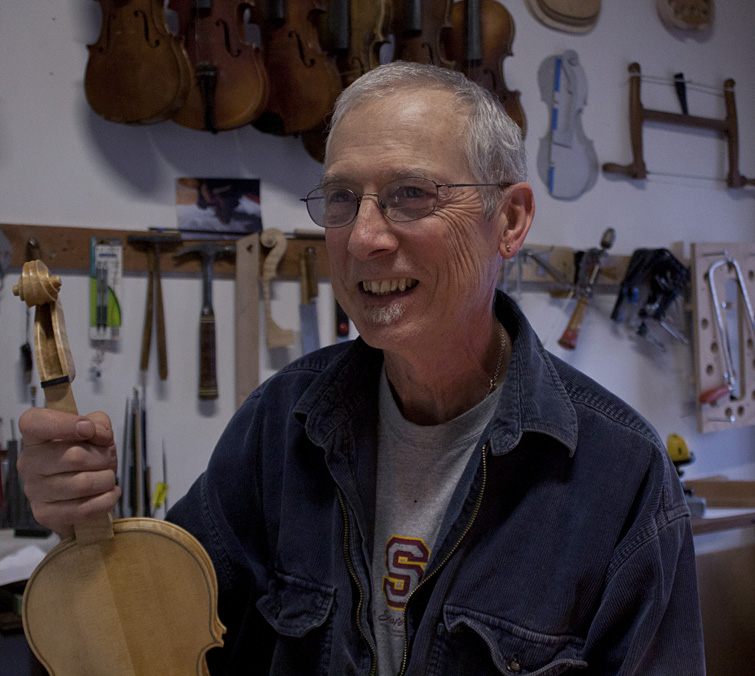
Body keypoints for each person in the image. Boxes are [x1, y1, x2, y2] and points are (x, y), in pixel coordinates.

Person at [18, 62, 705, 675]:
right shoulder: (280, 424)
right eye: (342, 199)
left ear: (511, 219)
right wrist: (79, 523)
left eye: (412, 193)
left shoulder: (624, 479)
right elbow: (153, 639)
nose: (365, 237)